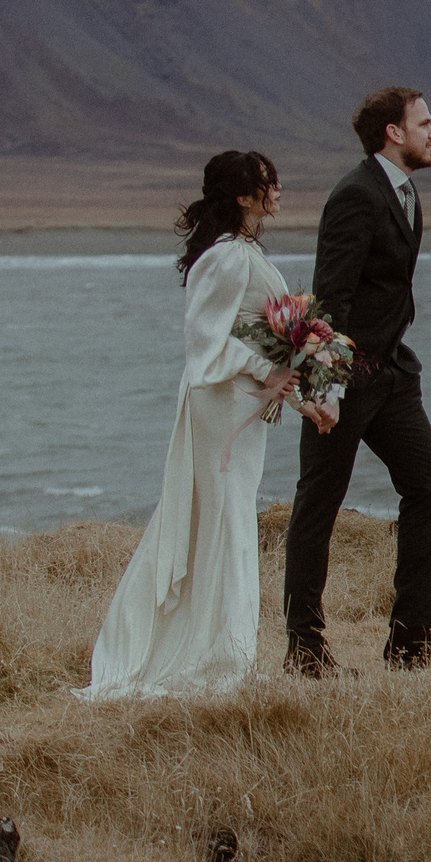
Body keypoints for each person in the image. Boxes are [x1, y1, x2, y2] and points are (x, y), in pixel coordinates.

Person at [77, 151, 334, 699]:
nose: (279, 189)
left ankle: (225, 648)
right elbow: (205, 344)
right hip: (223, 401)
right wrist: (272, 373)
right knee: (223, 517)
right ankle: (220, 657)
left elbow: (266, 340)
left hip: (241, 399)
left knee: (229, 514)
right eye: (268, 182)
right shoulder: (228, 257)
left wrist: (304, 395)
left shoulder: (244, 252)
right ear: (243, 197)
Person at [282, 86, 431, 675]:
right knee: (319, 504)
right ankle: (305, 649)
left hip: (391, 373)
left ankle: (411, 640)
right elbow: (331, 296)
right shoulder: (356, 195)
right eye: (425, 122)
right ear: (394, 132)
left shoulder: (403, 192)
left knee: (430, 484)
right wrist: (325, 388)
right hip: (348, 377)